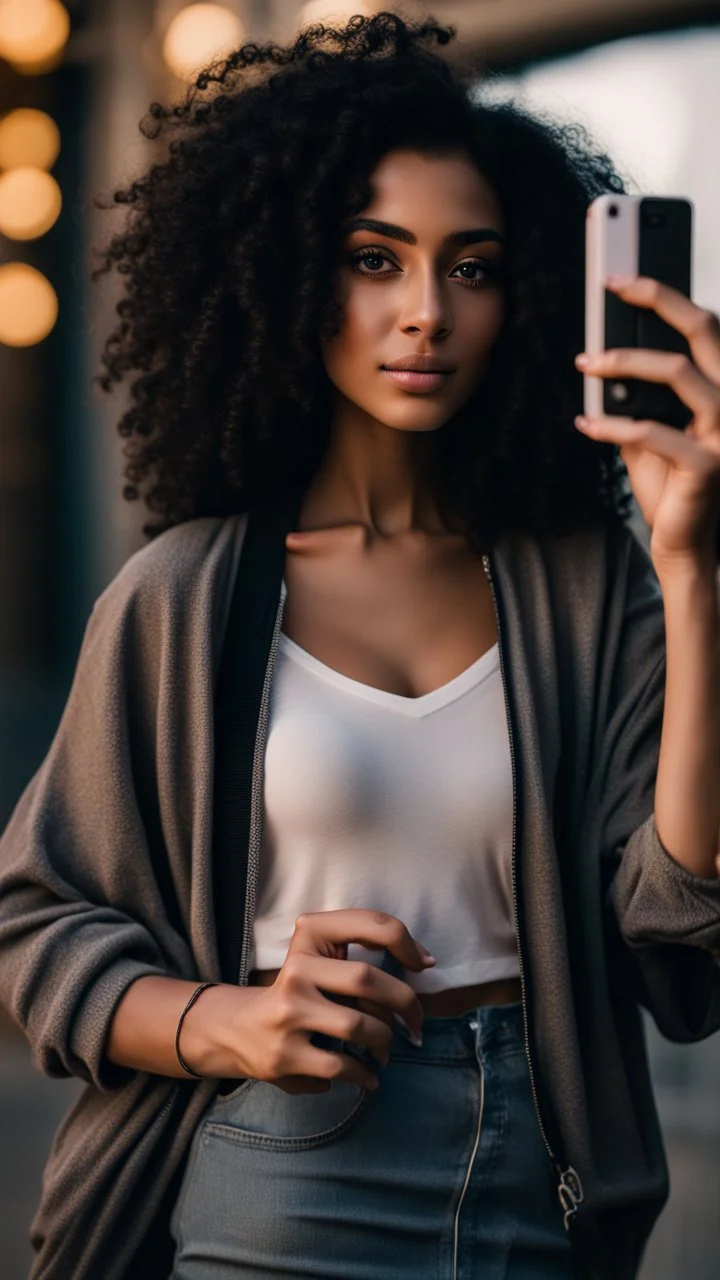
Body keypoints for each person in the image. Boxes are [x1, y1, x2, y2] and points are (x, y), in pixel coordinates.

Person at [1, 12, 720, 1280]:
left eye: (476, 266)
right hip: (283, 1170)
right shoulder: (183, 596)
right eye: (374, 258)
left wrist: (690, 571)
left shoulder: (587, 587)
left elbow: (677, 935)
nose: (426, 312)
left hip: (539, 1175)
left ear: (531, 294)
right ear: (287, 273)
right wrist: (227, 1021)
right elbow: (30, 919)